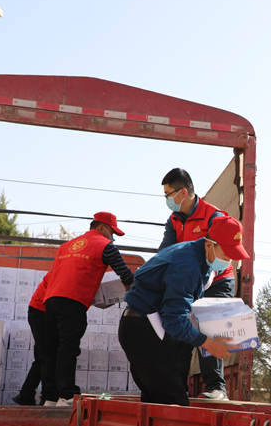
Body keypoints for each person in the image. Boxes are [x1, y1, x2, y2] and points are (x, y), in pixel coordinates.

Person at [119, 215, 249, 406]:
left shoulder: (199, 258)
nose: (229, 262)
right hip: (145, 330)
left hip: (156, 328)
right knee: (172, 404)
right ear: (209, 245)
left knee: (162, 402)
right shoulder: (187, 264)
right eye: (226, 255)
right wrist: (208, 343)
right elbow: (174, 319)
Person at [42, 212, 134, 407]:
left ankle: (49, 397)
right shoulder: (105, 246)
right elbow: (125, 273)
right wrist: (131, 289)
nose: (113, 238)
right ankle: (66, 396)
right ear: (101, 228)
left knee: (52, 349)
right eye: (112, 232)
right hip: (73, 301)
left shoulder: (66, 246)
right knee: (68, 348)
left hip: (50, 299)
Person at [160, 168, 234, 400]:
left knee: (208, 321)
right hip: (192, 280)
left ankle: (216, 388)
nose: (167, 200)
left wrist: (199, 287)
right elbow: (166, 253)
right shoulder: (173, 221)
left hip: (218, 278)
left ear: (183, 192)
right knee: (179, 325)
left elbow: (221, 256)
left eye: (168, 194)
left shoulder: (214, 217)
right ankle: (176, 387)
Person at [11, 273, 48, 405]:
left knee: (42, 357)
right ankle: (45, 397)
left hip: (39, 310)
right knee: (47, 357)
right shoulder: (67, 271)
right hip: (42, 311)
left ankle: (26, 394)